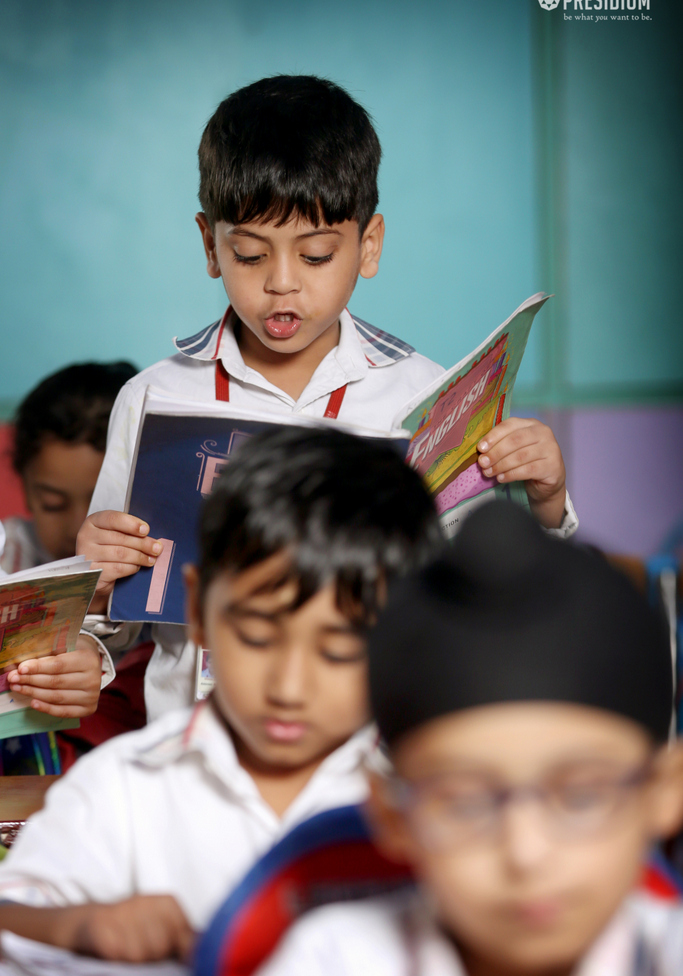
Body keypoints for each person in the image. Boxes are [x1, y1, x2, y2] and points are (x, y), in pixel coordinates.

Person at [76, 74, 578, 724]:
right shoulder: (153, 398)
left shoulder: (423, 396)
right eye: (250, 255)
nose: (281, 285)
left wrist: (546, 502)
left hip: (371, 752)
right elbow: (113, 631)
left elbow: (491, 598)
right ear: (209, 245)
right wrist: (91, 583)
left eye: (314, 256)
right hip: (193, 758)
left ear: (368, 245)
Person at [0, 426, 442, 963]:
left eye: (338, 651)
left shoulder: (426, 808)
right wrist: (74, 926)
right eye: (256, 637)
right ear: (199, 610)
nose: (288, 688)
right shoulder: (122, 789)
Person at [256, 501, 683, 976]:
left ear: (663, 792)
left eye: (581, 795)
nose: (526, 854)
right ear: (392, 815)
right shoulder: (330, 960)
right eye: (464, 802)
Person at [0, 362, 137, 774]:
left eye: (103, 501)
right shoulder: (9, 553)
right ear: (22, 482)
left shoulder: (154, 579)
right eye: (53, 503)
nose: (79, 525)